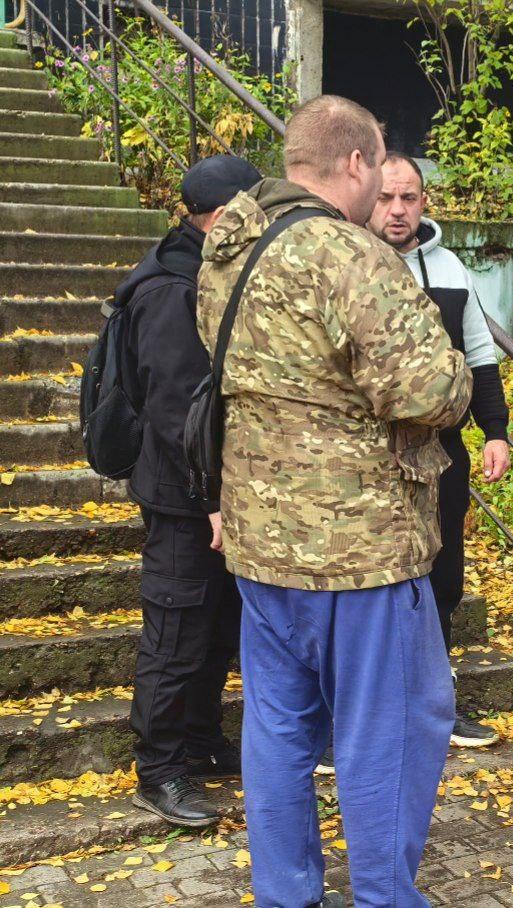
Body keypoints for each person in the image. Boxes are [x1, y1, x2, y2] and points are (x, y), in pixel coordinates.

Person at [197, 96, 471, 908]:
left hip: (259, 537)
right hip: (360, 549)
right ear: (355, 164)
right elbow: (426, 388)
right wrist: (456, 375)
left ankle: (287, 895)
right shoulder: (346, 255)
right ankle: (385, 896)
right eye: (377, 169)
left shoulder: (228, 247)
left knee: (280, 730)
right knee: (391, 728)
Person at [119, 155, 262, 828]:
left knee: (214, 628)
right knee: (176, 633)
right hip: (185, 497)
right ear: (218, 218)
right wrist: (209, 501)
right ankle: (162, 770)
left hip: (210, 489)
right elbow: (179, 411)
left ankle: (201, 744)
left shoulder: (204, 271)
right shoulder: (172, 290)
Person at [368, 152, 511, 748]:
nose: (397, 211)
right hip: (368, 455)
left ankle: (435, 704)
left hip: (441, 453)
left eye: (409, 198)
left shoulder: (449, 267)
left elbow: (479, 353)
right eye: (386, 198)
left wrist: (495, 430)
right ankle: (364, 711)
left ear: (424, 202)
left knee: (443, 572)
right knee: (369, 580)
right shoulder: (349, 260)